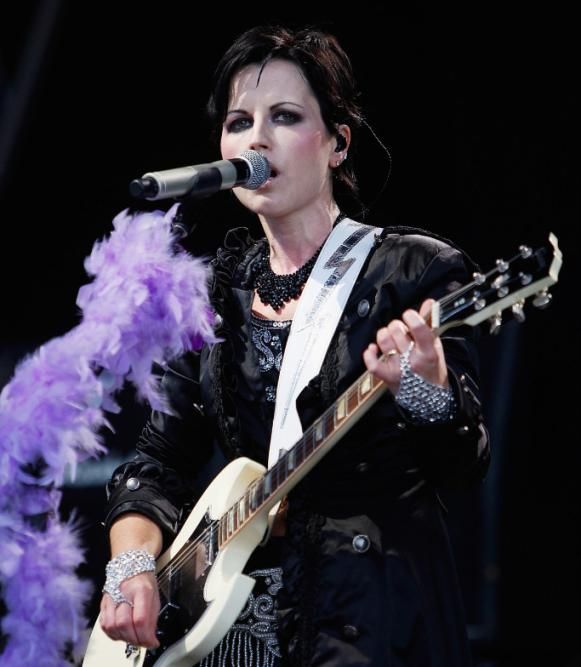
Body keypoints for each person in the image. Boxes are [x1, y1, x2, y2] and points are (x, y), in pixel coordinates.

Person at [97, 24, 490, 667]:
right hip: (227, 640)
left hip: (365, 626)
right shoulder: (214, 299)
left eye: (284, 117)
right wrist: (132, 564)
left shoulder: (411, 273)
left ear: (338, 143)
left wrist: (425, 389)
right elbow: (156, 462)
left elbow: (463, 466)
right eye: (239, 122)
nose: (256, 139)